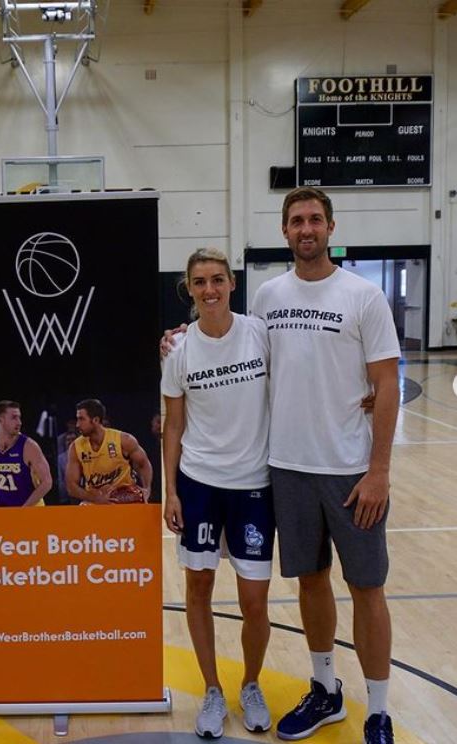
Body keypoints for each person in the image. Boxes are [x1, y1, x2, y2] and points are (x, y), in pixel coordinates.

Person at [251, 187, 400, 744]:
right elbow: (245, 360)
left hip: (351, 471)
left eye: (315, 219)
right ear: (284, 231)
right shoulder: (267, 296)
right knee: (311, 581)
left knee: (367, 587)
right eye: (296, 221)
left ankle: (378, 711)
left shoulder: (363, 296)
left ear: (331, 228)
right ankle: (325, 689)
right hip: (287, 466)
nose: (306, 228)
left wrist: (379, 471)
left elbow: (387, 383)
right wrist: (179, 341)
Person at [162, 248, 274, 738]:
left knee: (255, 602)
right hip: (199, 483)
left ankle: (250, 684)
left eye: (217, 280)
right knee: (199, 589)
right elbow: (173, 424)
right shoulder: (178, 350)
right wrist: (170, 490)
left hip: (253, 486)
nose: (209, 290)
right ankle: (212, 689)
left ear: (232, 283)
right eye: (199, 282)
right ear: (189, 289)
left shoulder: (260, 334)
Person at [65, 398, 153, 504]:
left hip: (125, 497)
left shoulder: (123, 440)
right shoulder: (75, 447)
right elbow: (71, 486)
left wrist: (147, 489)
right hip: (94, 500)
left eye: (81, 419)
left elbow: (143, 464)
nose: (77, 425)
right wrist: (96, 499)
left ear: (96, 420)